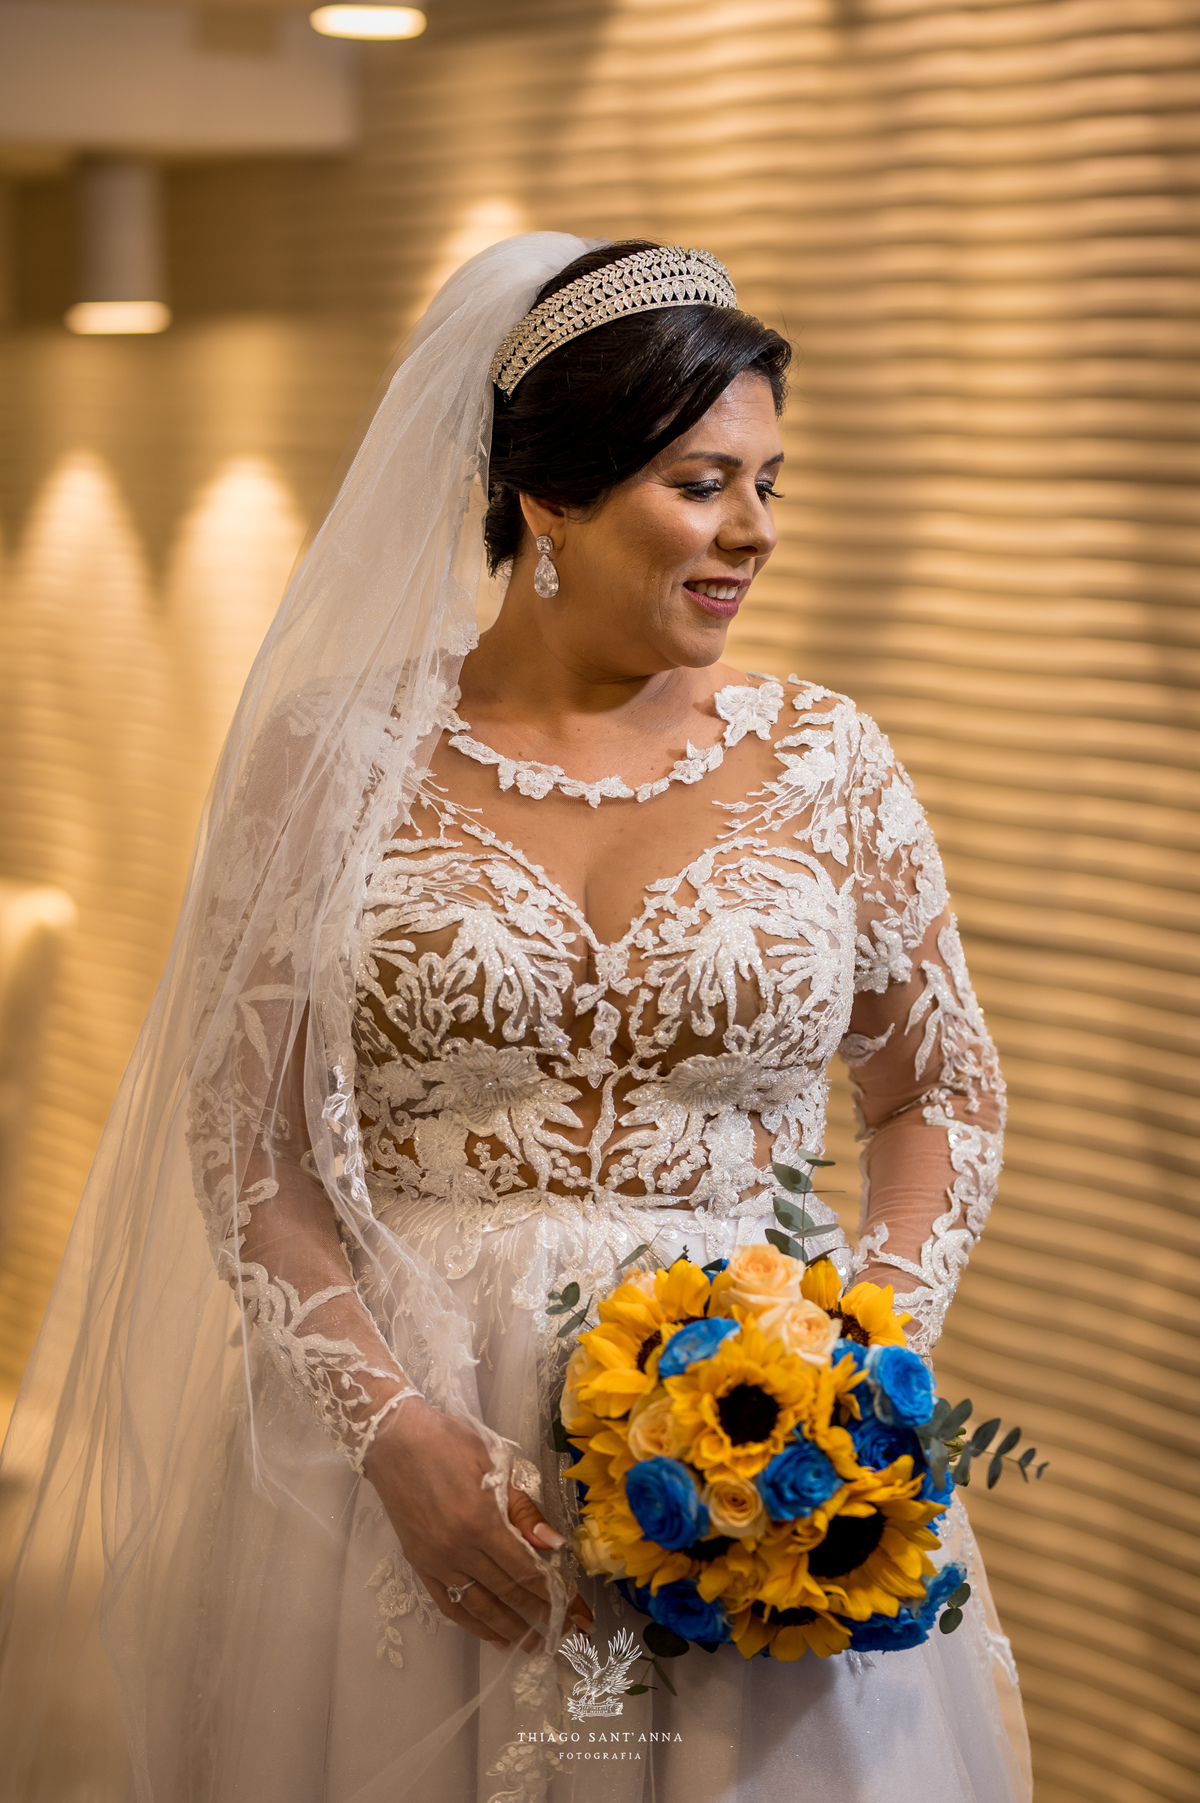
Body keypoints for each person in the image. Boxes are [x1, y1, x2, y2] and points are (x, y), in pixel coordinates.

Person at [0, 236, 1031, 1801]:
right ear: (548, 497)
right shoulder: (334, 762)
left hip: (770, 1446)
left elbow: (937, 1089)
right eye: (702, 484)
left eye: (768, 484)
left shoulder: (831, 762)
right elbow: (249, 1139)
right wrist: (390, 1435)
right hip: (416, 1465)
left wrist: (860, 1350)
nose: (754, 530)